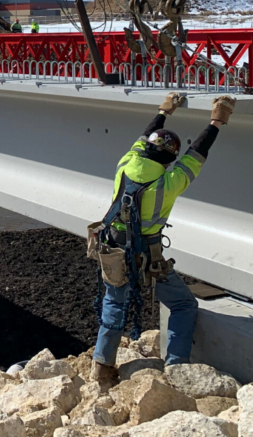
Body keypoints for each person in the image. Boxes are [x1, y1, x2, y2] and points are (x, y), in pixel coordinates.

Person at [90, 91, 236, 384]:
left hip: (113, 250)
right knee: (183, 305)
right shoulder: (169, 183)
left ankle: (102, 366)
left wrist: (165, 111)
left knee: (114, 304)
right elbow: (197, 154)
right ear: (170, 159)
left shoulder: (126, 163)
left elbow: (143, 138)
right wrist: (216, 121)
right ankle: (177, 368)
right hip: (149, 258)